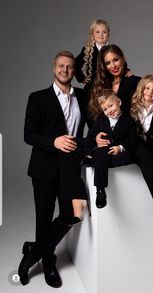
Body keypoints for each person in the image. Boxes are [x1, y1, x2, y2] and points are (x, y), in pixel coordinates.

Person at [88, 44, 153, 251]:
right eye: (108, 62)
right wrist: (96, 138)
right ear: (103, 65)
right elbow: (94, 117)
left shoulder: (136, 81)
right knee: (98, 159)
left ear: (123, 58)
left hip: (136, 140)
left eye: (116, 60)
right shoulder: (99, 87)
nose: (113, 65)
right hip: (111, 141)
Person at [18, 51, 88, 287]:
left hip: (71, 167)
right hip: (44, 167)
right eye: (61, 66)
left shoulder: (83, 96)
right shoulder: (37, 98)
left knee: (71, 214)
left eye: (70, 67)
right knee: (44, 217)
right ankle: (47, 262)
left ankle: (32, 251)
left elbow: (99, 119)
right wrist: (54, 142)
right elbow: (29, 135)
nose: (66, 70)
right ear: (54, 68)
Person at [75, 19, 132, 128]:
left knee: (109, 111)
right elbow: (76, 64)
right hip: (92, 87)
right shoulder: (88, 50)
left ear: (108, 34)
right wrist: (81, 78)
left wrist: (126, 70)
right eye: (97, 32)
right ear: (92, 34)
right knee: (91, 113)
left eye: (104, 32)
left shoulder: (111, 49)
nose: (101, 35)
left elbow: (120, 62)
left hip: (107, 85)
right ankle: (95, 134)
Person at [86, 89, 137, 208]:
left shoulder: (129, 120)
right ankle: (100, 191)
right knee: (99, 153)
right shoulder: (101, 120)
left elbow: (132, 139)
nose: (109, 110)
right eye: (105, 109)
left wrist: (121, 147)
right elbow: (91, 134)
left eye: (111, 105)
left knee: (129, 155)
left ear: (118, 102)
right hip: (104, 150)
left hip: (119, 153)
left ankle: (97, 161)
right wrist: (90, 150)